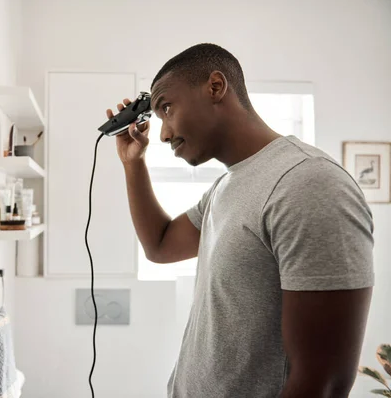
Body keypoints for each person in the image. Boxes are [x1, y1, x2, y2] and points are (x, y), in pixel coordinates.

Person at [106, 43, 375, 397]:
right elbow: (160, 246)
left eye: (167, 108)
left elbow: (322, 383)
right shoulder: (227, 184)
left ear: (216, 87)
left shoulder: (309, 184)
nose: (164, 134)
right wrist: (133, 163)